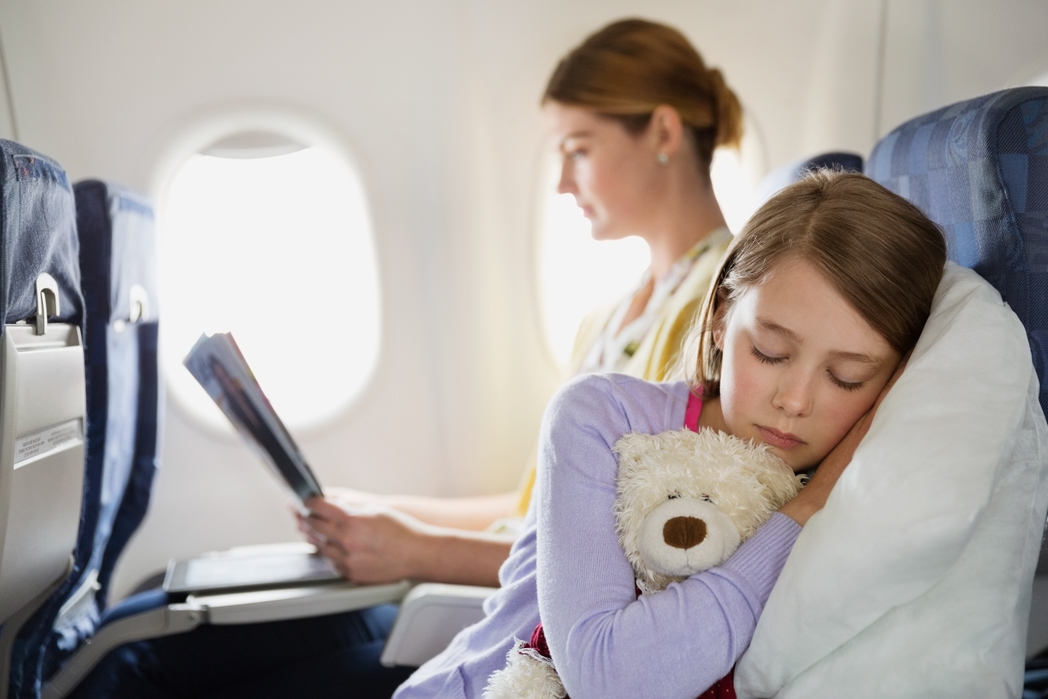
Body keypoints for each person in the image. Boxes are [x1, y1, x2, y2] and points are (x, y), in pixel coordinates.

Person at [71, 17, 747, 699]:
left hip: (519, 626)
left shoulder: (720, 316)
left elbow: (631, 555)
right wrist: (380, 516)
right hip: (481, 583)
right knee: (144, 624)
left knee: (150, 671)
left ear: (662, 132)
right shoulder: (608, 315)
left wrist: (413, 549)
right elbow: (537, 508)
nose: (563, 184)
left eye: (579, 149)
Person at [392, 170, 948, 698]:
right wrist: (805, 510)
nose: (794, 401)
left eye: (845, 377)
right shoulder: (601, 420)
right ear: (723, 319)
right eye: (770, 352)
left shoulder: (877, 493)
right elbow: (608, 681)